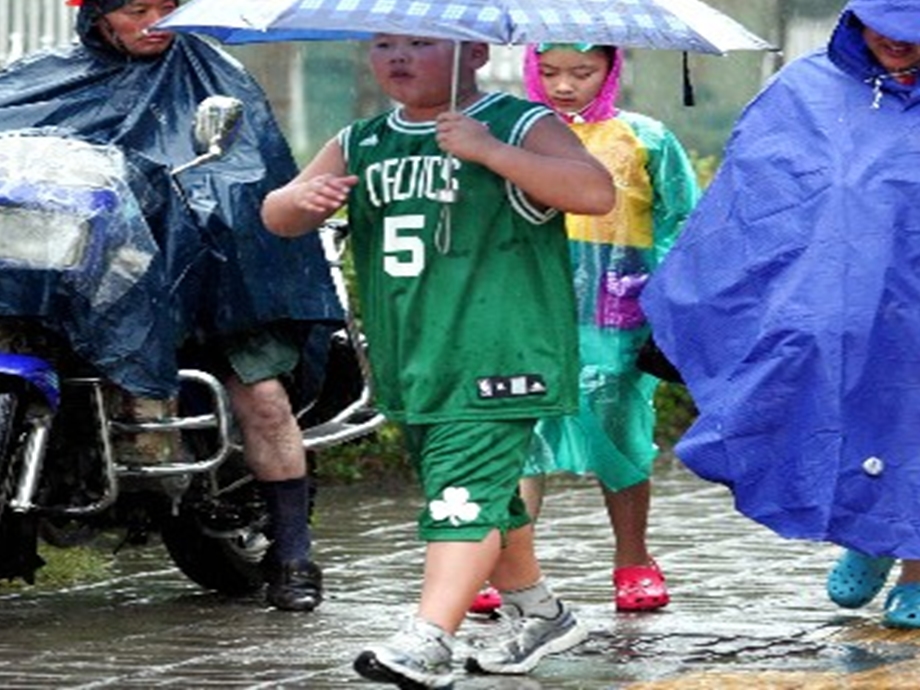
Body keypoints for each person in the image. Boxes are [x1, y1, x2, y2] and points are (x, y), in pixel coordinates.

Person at [262, 34, 615, 689]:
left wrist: (490, 151)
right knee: (482, 495)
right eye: (385, 44)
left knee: (462, 498)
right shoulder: (362, 140)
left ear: (475, 54)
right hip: (416, 360)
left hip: (502, 352)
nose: (398, 56)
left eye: (421, 44)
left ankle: (428, 641)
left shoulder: (518, 123)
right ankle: (541, 614)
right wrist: (300, 205)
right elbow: (278, 212)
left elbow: (594, 192)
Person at [0, 0, 344, 611]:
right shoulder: (39, 76)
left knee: (260, 397)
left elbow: (242, 182)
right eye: (136, 9)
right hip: (79, 276)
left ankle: (294, 554)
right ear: (99, 14)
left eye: (168, 6)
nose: (154, 22)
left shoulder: (219, 80)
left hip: (208, 274)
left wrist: (182, 212)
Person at [640, 0, 920, 629]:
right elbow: (756, 193)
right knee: (841, 405)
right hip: (834, 295)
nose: (895, 42)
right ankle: (872, 534)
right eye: (884, 26)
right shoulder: (806, 88)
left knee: (913, 417)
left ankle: (915, 561)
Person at [493, 43, 697, 615]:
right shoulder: (505, 135)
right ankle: (505, 565)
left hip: (616, 315)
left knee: (620, 431)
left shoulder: (646, 138)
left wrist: (670, 299)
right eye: (549, 72)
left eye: (581, 73)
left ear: (610, 71)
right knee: (519, 437)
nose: (563, 85)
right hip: (526, 308)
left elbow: (681, 222)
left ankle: (633, 559)